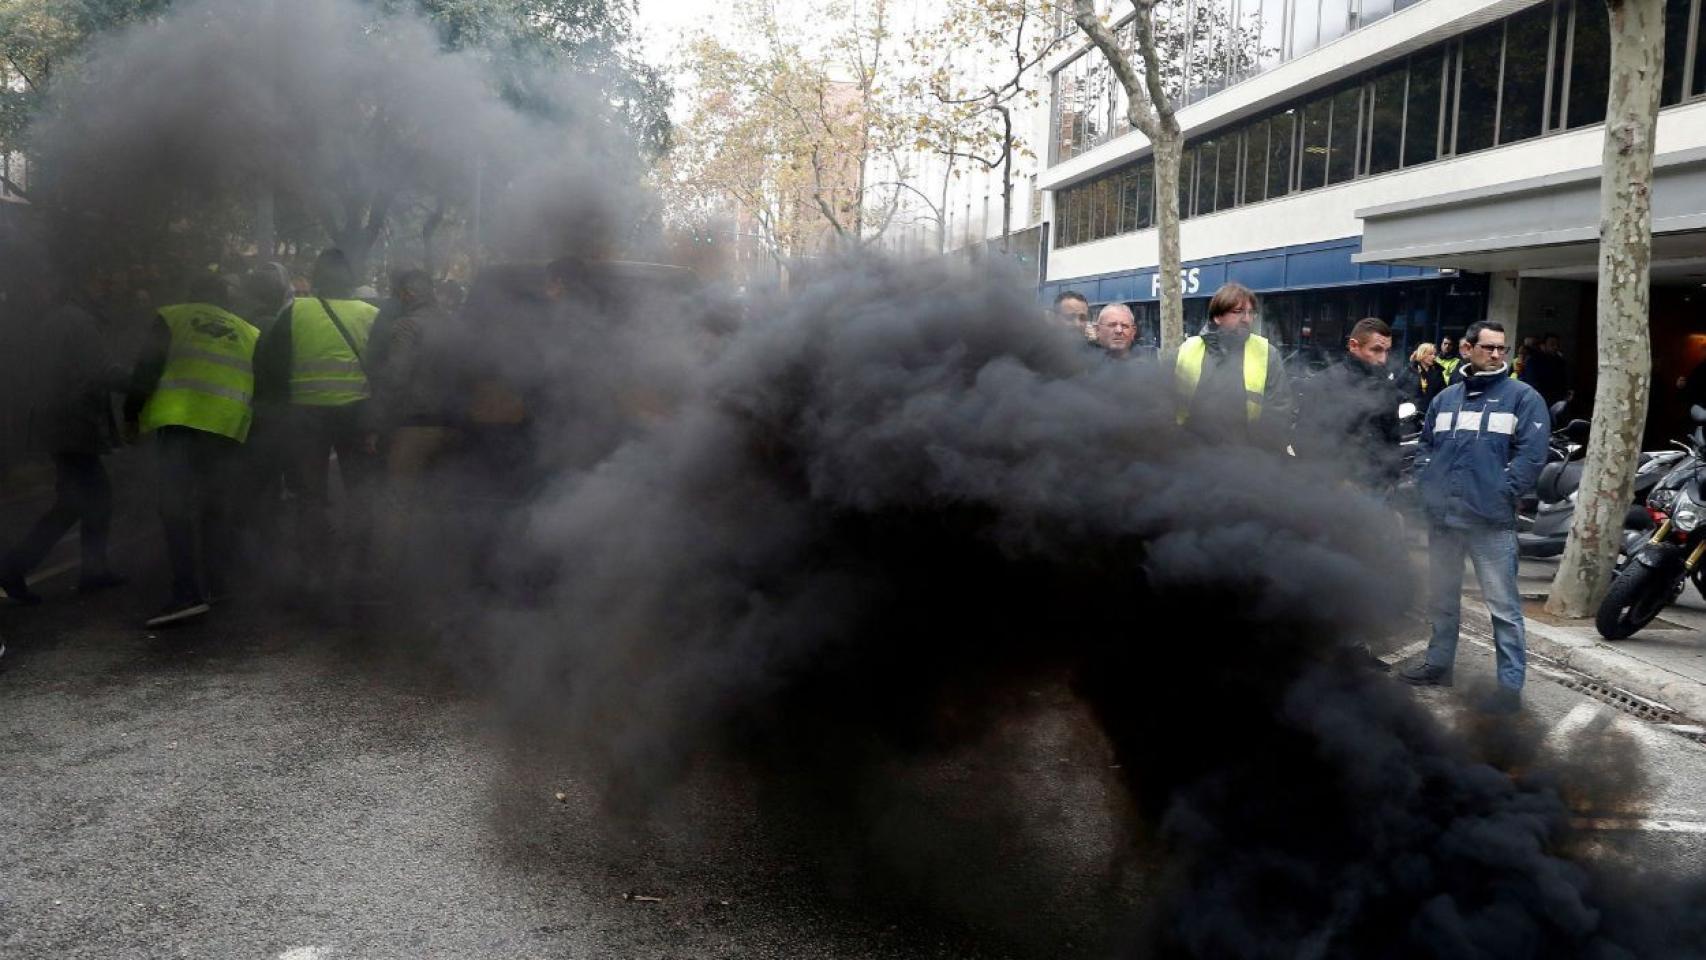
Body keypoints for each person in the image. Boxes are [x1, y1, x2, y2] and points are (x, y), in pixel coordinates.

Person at [1400, 320, 1550, 713]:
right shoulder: (1445, 399)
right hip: (1444, 517)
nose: (1497, 355)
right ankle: (1438, 665)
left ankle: (1509, 690)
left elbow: (1532, 457)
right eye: (1489, 348)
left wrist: (1502, 492)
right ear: (1468, 349)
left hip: (1490, 522)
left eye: (1502, 348)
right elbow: (1426, 446)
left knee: (1503, 609)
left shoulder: (1524, 398)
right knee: (1443, 598)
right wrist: (1426, 481)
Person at [125, 273, 259, 626]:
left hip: (182, 423)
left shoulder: (173, 316)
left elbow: (147, 368)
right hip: (227, 428)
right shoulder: (248, 330)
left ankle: (186, 593)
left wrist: (130, 415)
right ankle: (218, 583)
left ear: (193, 293)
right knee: (214, 508)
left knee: (174, 507)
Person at [0, 266, 129, 603]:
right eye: (102, 281)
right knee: (89, 499)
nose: (109, 287)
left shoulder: (62, 318)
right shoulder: (77, 321)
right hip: (72, 423)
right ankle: (16, 566)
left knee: (79, 501)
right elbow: (100, 370)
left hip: (61, 421)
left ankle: (89, 570)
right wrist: (143, 381)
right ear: (84, 284)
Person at [253, 248, 382, 582]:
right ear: (351, 277)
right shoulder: (370, 313)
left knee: (309, 495)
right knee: (360, 491)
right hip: (355, 413)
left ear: (317, 277)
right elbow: (384, 370)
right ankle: (361, 564)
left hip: (306, 415)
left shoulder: (295, 312)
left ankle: (313, 567)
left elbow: (271, 366)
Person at [367, 268, 457, 573]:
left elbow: (396, 379)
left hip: (414, 426)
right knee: (440, 499)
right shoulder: (454, 325)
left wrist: (376, 425)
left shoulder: (406, 327)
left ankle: (388, 578)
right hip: (453, 426)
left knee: (398, 502)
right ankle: (443, 571)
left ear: (408, 293)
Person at [1170, 282, 1292, 451]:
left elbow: (1280, 410)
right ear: (1217, 316)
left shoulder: (1267, 354)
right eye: (1238, 312)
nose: (1246, 319)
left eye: (1250, 313)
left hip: (1244, 460)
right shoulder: (1186, 350)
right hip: (1191, 457)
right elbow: (1165, 404)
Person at [1293, 318, 1403, 494]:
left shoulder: (1387, 387)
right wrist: (1336, 481)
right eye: (1376, 350)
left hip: (1377, 493)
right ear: (1354, 345)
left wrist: (1391, 486)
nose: (1383, 359)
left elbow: (1392, 442)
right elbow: (1304, 442)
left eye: (1386, 351)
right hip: (1332, 496)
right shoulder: (1323, 384)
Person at [1520, 333, 1569, 407]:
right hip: (1538, 400)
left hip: (1557, 401)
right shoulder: (1533, 361)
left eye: (1557, 345)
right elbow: (1532, 383)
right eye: (1552, 344)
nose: (1555, 347)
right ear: (1543, 346)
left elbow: (1563, 382)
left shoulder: (1560, 362)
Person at [1401, 342, 1447, 408]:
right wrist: (1407, 398)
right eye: (1430, 354)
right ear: (1422, 355)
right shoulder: (1410, 369)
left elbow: (1443, 391)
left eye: (1434, 354)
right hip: (1412, 411)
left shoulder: (1438, 371)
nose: (1434, 357)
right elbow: (1397, 387)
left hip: (1431, 409)